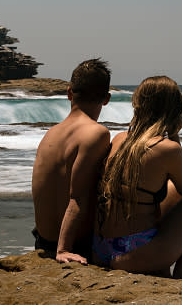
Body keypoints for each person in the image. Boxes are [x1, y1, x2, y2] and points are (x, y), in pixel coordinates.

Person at [93, 75, 182, 280]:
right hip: (132, 253)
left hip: (100, 248)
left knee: (169, 187)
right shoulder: (167, 149)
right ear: (175, 110)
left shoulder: (119, 138)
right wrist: (176, 136)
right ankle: (181, 278)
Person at [32, 58, 111, 265]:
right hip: (75, 245)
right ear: (106, 99)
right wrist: (64, 249)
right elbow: (78, 196)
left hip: (42, 241)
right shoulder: (97, 133)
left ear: (69, 93)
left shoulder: (50, 134)